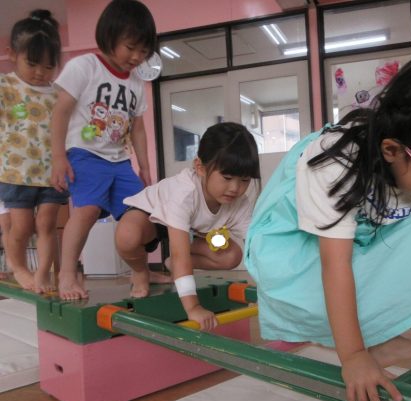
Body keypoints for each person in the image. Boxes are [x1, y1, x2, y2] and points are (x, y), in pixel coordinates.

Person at [245, 53, 411, 401]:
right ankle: (371, 344)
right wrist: (353, 357)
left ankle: (380, 341)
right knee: (328, 290)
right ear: (392, 150)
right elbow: (335, 266)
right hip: (290, 250)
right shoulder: (335, 162)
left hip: (355, 242)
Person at [51, 0, 156, 300]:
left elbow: (137, 127)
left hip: (120, 160)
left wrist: (144, 166)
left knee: (142, 215)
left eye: (143, 51)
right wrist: (58, 157)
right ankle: (67, 274)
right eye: (130, 47)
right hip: (84, 154)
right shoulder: (85, 67)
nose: (136, 57)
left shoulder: (136, 83)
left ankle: (141, 270)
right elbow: (60, 112)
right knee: (87, 210)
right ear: (109, 36)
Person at [116, 122, 260, 330]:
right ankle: (140, 271)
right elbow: (179, 253)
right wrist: (193, 307)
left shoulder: (240, 203)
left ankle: (172, 265)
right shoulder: (184, 192)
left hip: (191, 232)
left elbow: (256, 245)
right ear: (200, 167)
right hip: (151, 218)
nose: (235, 188)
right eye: (227, 178)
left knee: (231, 255)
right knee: (127, 235)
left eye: (244, 180)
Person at [0, 10, 68, 292]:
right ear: (12, 54)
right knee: (22, 226)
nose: (40, 72)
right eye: (32, 63)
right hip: (17, 171)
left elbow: (71, 126)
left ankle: (42, 273)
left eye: (49, 66)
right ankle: (18, 267)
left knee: (47, 224)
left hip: (52, 172)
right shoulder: (5, 86)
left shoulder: (58, 93)